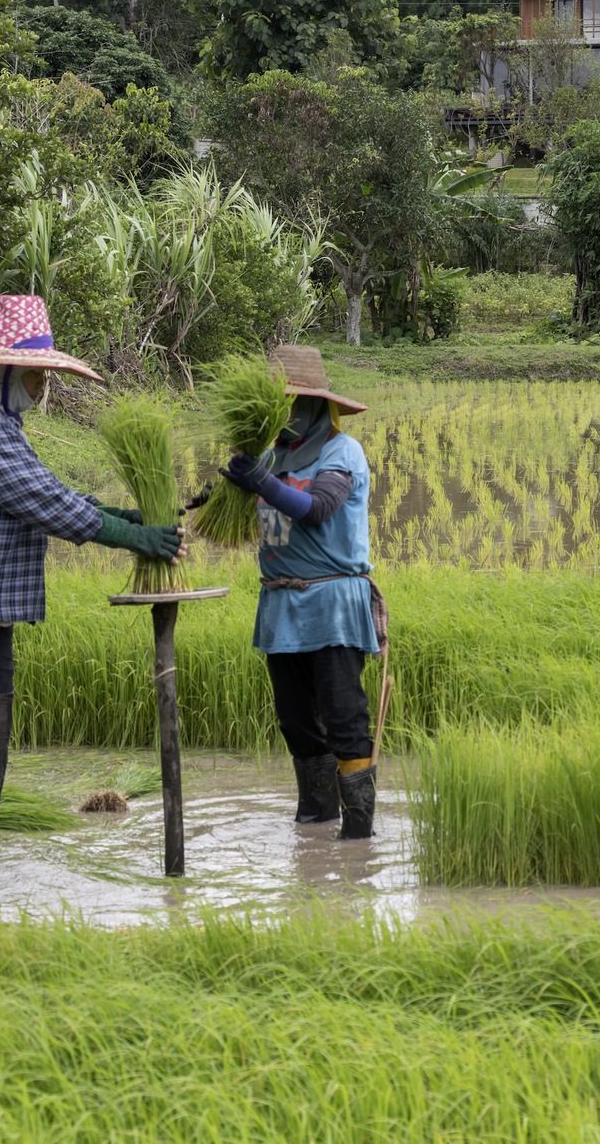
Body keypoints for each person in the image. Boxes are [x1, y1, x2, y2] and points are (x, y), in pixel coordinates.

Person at [0, 294, 185, 898]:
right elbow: (39, 502)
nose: (39, 385)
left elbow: (48, 488)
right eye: (34, 373)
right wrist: (135, 535)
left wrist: (118, 513)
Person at [218, 345, 384, 840]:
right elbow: (245, 507)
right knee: (295, 721)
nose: (284, 413)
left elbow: (316, 508)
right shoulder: (272, 456)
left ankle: (358, 834)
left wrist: (261, 482)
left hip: (333, 605)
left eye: (291, 402)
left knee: (343, 716)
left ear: (314, 404)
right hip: (281, 606)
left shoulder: (341, 451)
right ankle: (315, 821)